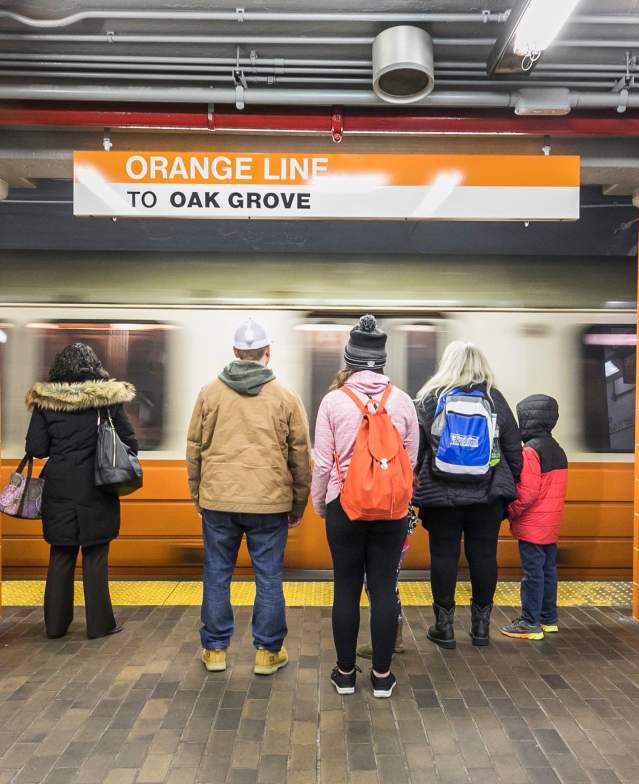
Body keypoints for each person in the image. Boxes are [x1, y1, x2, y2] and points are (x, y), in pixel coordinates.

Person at [187, 318, 311, 676]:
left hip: (218, 501)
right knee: (269, 577)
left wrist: (199, 495)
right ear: (267, 353)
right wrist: (298, 504)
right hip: (270, 503)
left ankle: (215, 651)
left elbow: (194, 449)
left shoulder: (209, 393)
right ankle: (267, 654)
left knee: (216, 574)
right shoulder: (286, 397)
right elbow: (300, 456)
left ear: (236, 352)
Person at [312, 315, 419, 698]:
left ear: (348, 361)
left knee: (345, 588)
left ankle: (344, 675)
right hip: (391, 510)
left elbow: (323, 463)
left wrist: (322, 505)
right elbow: (411, 460)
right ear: (383, 361)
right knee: (384, 589)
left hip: (345, 507)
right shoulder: (404, 402)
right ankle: (382, 677)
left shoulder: (333, 402)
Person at [25, 342, 138, 639]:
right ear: (93, 366)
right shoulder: (106, 399)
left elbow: (36, 448)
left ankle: (56, 626)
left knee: (60, 555)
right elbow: (129, 441)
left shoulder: (45, 401)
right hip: (97, 486)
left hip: (60, 487)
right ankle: (100, 625)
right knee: (95, 555)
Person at [414, 341, 522, 649]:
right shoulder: (494, 398)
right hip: (487, 496)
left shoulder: (429, 398)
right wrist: (507, 484)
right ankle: (480, 629)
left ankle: (444, 628)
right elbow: (514, 450)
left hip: (440, 493)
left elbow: (416, 449)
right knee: (484, 555)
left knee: (444, 556)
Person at [501, 394, 568, 640]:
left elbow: (527, 494)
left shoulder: (531, 451)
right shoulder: (558, 449)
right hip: (550, 525)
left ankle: (530, 622)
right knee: (548, 570)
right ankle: (549, 620)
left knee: (533, 574)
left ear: (527, 420)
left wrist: (510, 511)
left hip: (532, 525)